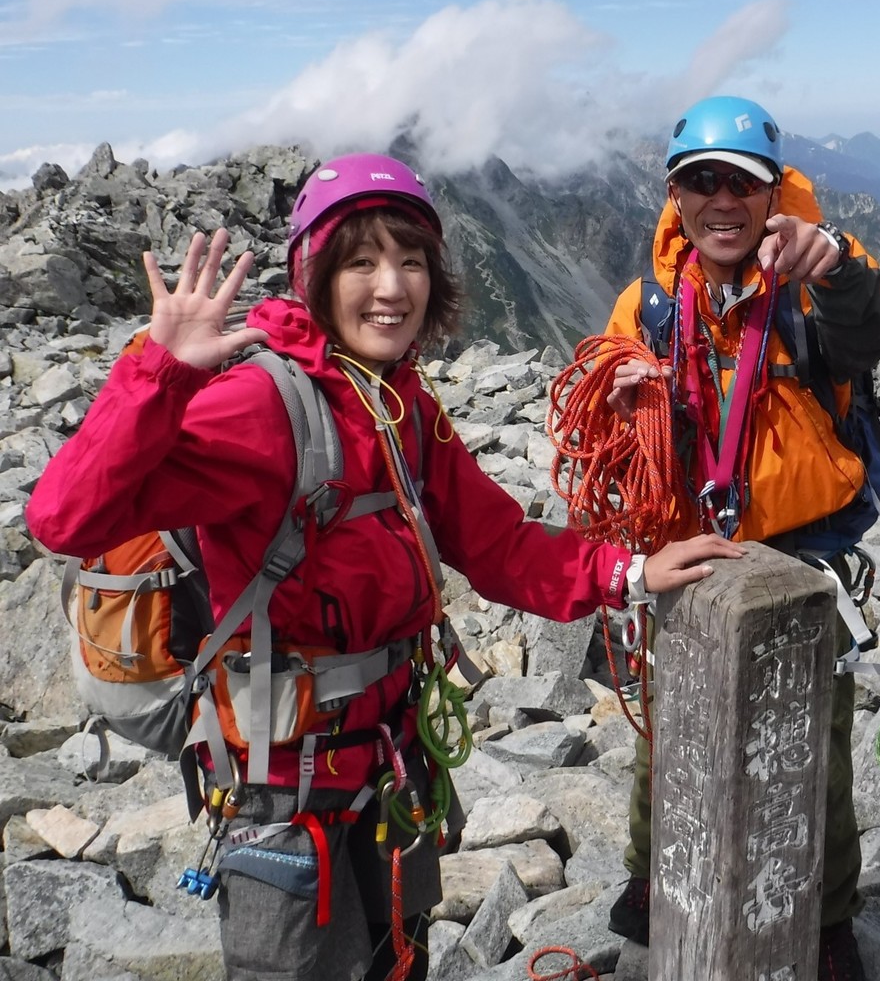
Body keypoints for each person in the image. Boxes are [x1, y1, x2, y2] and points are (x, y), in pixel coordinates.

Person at [25, 153, 737, 981]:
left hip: (391, 766)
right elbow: (63, 520)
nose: (391, 286)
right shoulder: (262, 405)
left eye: (410, 260)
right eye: (360, 261)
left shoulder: (400, 403)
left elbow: (498, 544)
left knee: (400, 960)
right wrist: (162, 369)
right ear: (315, 278)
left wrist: (631, 574)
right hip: (282, 794)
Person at [600, 96, 880, 981]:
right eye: (702, 181)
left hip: (805, 566)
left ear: (774, 197)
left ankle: (828, 916)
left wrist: (837, 260)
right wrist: (623, 422)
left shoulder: (812, 288)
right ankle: (651, 884)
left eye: (744, 183)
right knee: (668, 738)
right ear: (675, 194)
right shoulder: (646, 307)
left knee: (817, 749)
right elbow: (616, 460)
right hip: (688, 557)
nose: (722, 200)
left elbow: (866, 327)